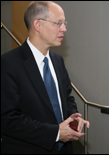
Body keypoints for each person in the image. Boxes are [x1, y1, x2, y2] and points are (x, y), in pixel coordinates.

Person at [1, 1, 89, 154]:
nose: (64, 29)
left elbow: (67, 97)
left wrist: (73, 117)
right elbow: (8, 118)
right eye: (58, 23)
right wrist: (55, 133)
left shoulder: (57, 60)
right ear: (37, 24)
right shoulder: (8, 63)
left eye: (64, 23)